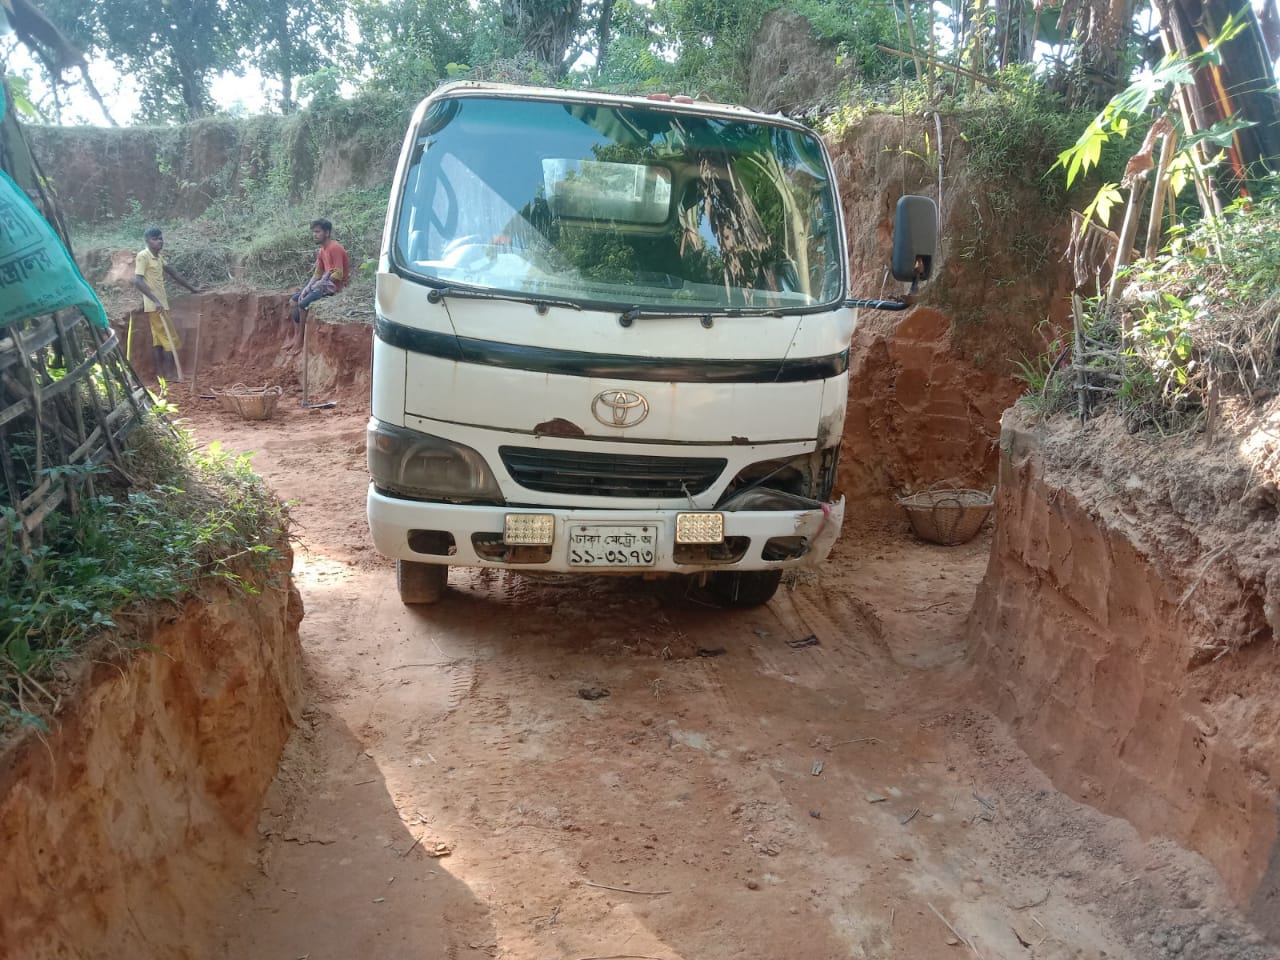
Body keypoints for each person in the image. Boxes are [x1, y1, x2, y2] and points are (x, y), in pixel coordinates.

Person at [133, 226, 200, 381]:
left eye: (160, 238)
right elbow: (137, 281)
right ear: (147, 241)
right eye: (155, 239)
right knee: (170, 339)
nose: (159, 241)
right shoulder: (143, 256)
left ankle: (160, 374)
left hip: (160, 305)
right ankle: (170, 375)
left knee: (158, 340)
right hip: (156, 307)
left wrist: (193, 289)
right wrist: (155, 301)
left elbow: (173, 273)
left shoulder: (158, 257)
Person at [286, 218, 350, 350]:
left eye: (317, 231)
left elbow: (339, 274)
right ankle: (296, 335)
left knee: (303, 305)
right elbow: (318, 272)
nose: (314, 234)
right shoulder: (322, 251)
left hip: (333, 287)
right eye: (313, 232)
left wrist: (320, 284)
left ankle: (300, 340)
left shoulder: (335, 248)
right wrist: (307, 287)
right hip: (323, 285)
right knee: (293, 302)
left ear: (327, 233)